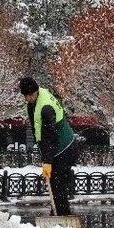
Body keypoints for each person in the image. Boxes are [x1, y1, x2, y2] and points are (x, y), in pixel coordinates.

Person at [19, 77, 78, 216]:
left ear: (36, 91)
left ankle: (62, 217)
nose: (29, 98)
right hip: (60, 146)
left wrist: (47, 161)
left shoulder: (45, 108)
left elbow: (50, 137)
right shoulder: (37, 100)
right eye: (26, 96)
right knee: (56, 185)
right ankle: (59, 214)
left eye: (31, 95)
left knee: (56, 185)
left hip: (63, 148)